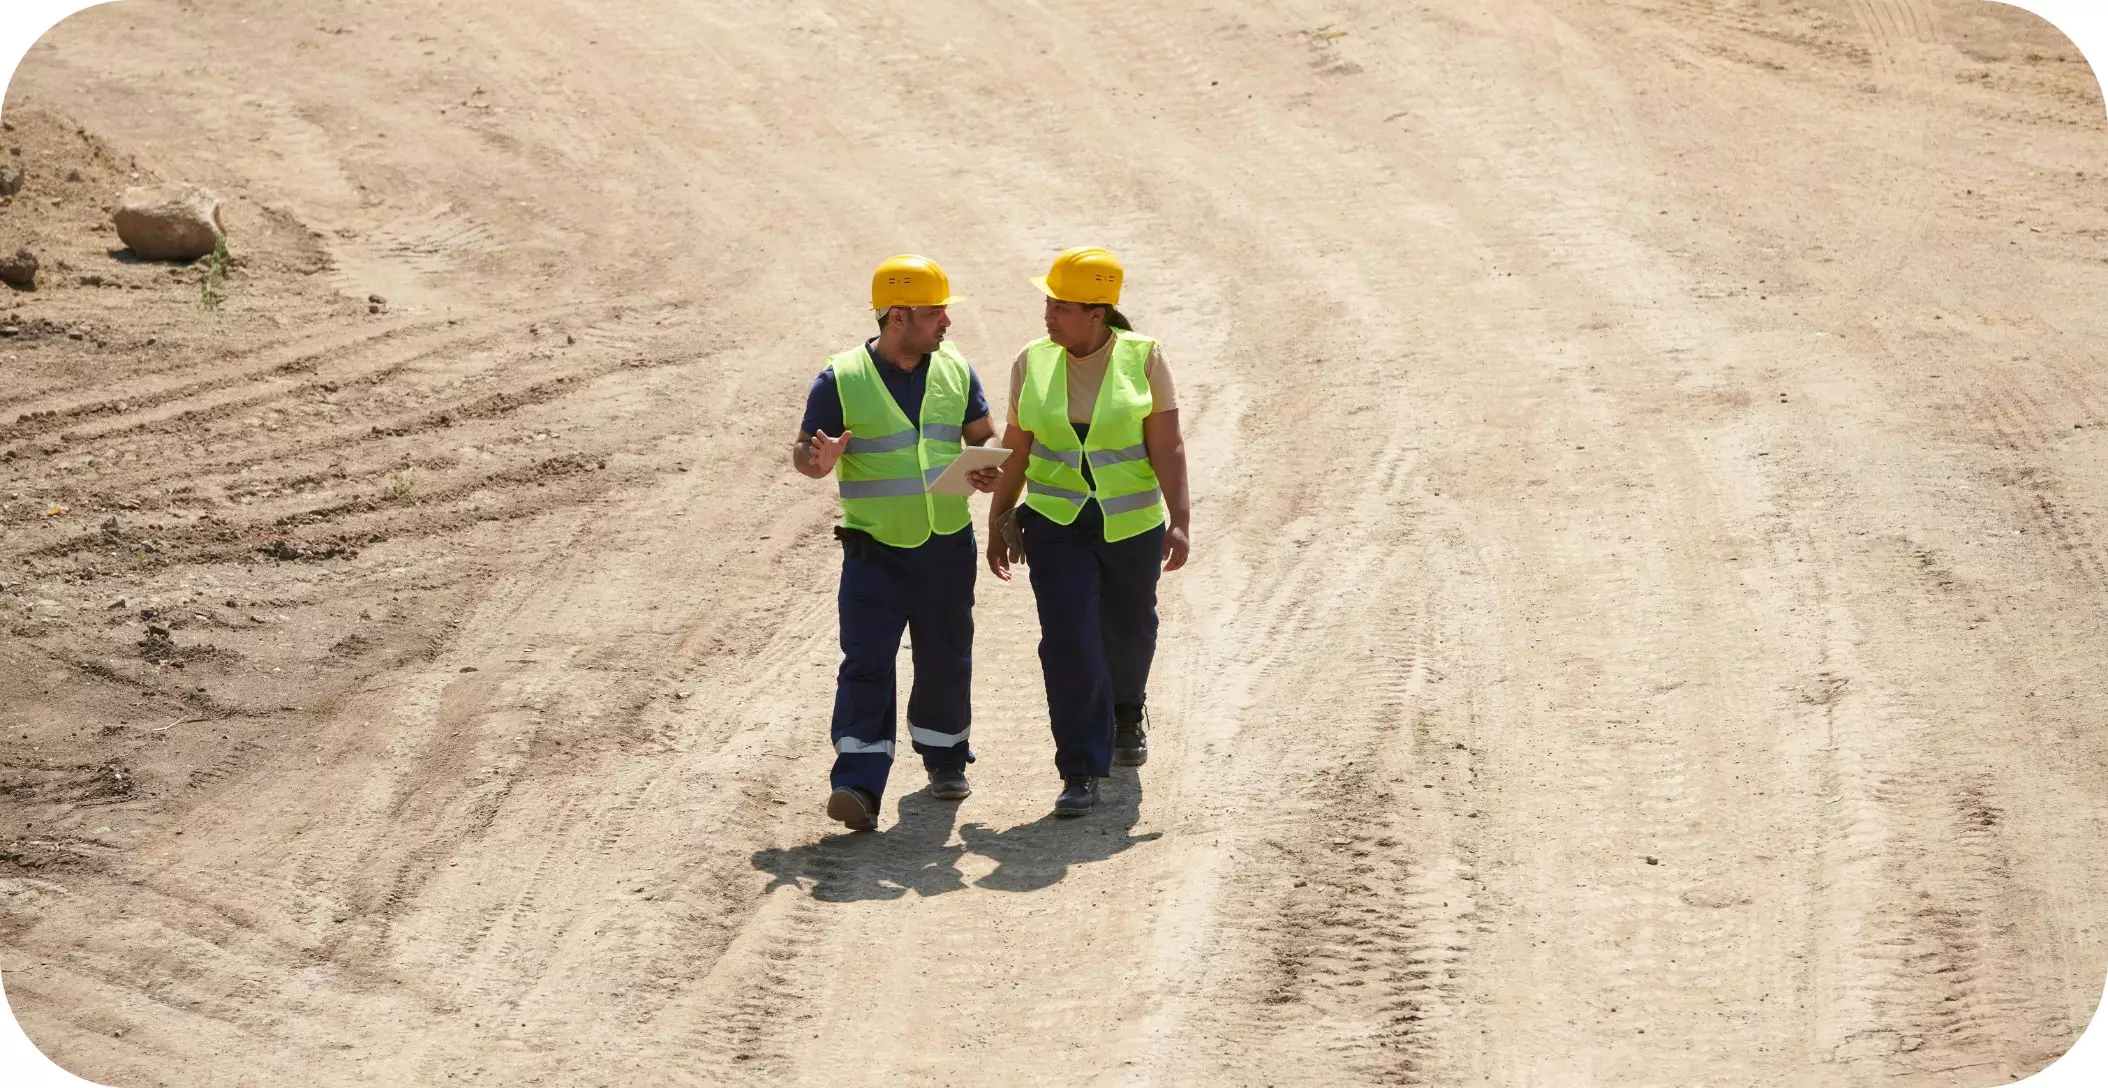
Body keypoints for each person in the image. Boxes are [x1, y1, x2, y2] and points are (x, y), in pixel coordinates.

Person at [793, 254, 1000, 832]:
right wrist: (820, 459)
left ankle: (946, 758)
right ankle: (857, 784)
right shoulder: (841, 378)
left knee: (945, 657)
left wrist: (986, 468)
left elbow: (983, 436)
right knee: (866, 664)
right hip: (874, 551)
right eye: (937, 313)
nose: (947, 324)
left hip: (945, 546)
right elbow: (803, 455)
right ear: (901, 316)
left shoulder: (957, 370)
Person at [985, 245, 1191, 817]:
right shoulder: (1032, 360)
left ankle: (1128, 710)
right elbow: (1018, 446)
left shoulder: (1145, 358)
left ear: (1097, 312)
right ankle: (1078, 768)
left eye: (1061, 307)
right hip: (1054, 525)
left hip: (1131, 526)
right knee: (1069, 641)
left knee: (1130, 631)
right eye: (1048, 304)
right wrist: (1000, 517)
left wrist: (1181, 521)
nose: (1048, 316)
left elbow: (1166, 445)